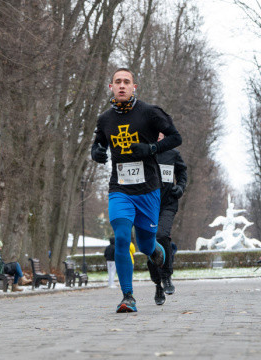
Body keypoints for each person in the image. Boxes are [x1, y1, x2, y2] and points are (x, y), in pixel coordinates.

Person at [91, 68, 182, 313]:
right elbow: (98, 144)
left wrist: (151, 149)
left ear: (134, 87)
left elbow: (176, 138)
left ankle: (156, 250)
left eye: (126, 82)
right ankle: (127, 296)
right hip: (119, 189)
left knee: (145, 245)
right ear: (111, 87)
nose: (122, 85)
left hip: (148, 190)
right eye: (117, 82)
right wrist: (96, 153)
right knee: (121, 236)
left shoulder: (150, 113)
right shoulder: (105, 119)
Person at [147, 133, 187, 306]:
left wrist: (180, 187)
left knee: (162, 235)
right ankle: (157, 285)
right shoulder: (144, 152)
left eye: (160, 133)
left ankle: (167, 276)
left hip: (168, 204)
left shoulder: (173, 153)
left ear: (164, 135)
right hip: (148, 206)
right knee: (149, 244)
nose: (156, 135)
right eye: (152, 132)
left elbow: (182, 172)